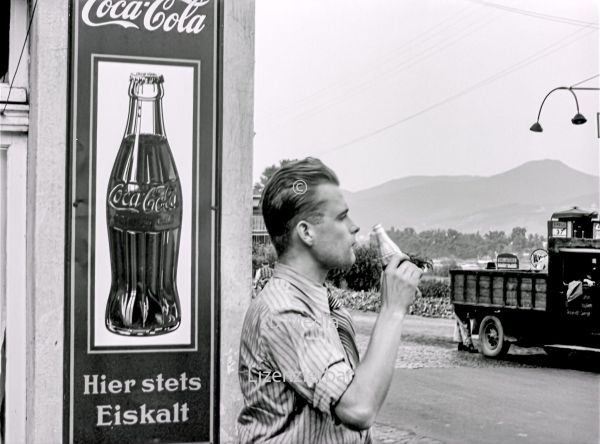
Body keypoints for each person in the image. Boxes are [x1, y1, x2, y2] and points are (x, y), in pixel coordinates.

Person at [237, 158, 423, 443]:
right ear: (306, 232)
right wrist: (392, 309)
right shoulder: (283, 314)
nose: (355, 227)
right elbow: (359, 408)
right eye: (341, 217)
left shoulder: (325, 303)